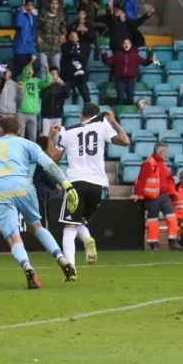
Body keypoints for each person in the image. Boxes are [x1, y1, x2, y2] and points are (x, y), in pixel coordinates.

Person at [0, 115, 79, 288]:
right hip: (23, 185)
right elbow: (49, 164)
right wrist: (66, 184)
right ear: (19, 130)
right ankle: (61, 258)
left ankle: (27, 265)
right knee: (36, 226)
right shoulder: (28, 144)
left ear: (0, 130)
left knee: (14, 237)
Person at [47, 103, 130, 266]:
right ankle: (87, 238)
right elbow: (125, 141)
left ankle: (70, 267)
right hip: (98, 185)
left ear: (81, 115)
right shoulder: (103, 126)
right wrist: (113, 121)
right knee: (80, 220)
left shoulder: (67, 131)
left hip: (76, 182)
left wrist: (50, 137)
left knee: (69, 227)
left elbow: (53, 159)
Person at [131, 143, 183, 250]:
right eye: (165, 152)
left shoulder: (162, 163)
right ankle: (153, 243)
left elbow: (167, 179)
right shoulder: (149, 163)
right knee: (153, 220)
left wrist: (172, 192)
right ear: (160, 152)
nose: (166, 155)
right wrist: (138, 194)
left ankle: (172, 241)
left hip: (164, 195)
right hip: (153, 197)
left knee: (172, 218)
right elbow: (142, 179)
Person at [101, 39, 156, 105]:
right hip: (120, 79)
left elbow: (144, 62)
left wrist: (151, 59)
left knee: (130, 99)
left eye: (128, 43)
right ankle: (110, 102)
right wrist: (104, 54)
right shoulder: (117, 54)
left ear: (131, 45)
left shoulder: (135, 55)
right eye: (124, 43)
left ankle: (129, 109)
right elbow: (108, 62)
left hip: (131, 80)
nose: (126, 44)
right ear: (122, 45)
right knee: (120, 99)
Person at [18, 56, 51, 141]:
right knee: (20, 137)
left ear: (33, 72)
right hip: (21, 112)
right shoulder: (22, 79)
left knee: (33, 137)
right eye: (28, 69)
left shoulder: (36, 81)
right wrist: (31, 61)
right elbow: (25, 72)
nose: (29, 71)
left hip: (33, 113)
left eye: (31, 70)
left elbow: (47, 82)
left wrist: (47, 70)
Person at [36, 0, 66, 75]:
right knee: (43, 68)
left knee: (56, 68)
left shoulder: (61, 16)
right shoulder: (43, 15)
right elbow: (37, 27)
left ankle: (55, 83)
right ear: (49, 4)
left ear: (58, 5)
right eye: (52, 3)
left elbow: (63, 28)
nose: (53, 5)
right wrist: (38, 37)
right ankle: (43, 83)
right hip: (43, 46)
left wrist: (63, 35)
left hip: (56, 47)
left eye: (55, 4)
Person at [60, 30, 91, 104]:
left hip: (80, 76)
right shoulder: (65, 46)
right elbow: (66, 53)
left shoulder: (83, 46)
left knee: (86, 96)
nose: (72, 37)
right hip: (69, 76)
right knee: (64, 95)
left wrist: (74, 53)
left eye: (74, 35)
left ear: (78, 37)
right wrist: (74, 51)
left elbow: (84, 57)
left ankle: (88, 109)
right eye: (71, 35)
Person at [12, 0, 37, 80]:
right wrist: (21, 11)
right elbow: (18, 23)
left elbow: (34, 31)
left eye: (31, 5)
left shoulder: (34, 17)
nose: (29, 7)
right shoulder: (20, 14)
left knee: (29, 71)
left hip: (29, 48)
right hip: (20, 47)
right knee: (18, 71)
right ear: (24, 6)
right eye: (28, 5)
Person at [40, 66, 67, 139]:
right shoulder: (44, 85)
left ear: (58, 75)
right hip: (46, 116)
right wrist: (48, 84)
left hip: (58, 116)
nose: (54, 75)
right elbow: (42, 96)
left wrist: (64, 85)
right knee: (45, 138)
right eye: (52, 73)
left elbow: (66, 95)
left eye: (55, 73)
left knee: (57, 138)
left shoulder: (61, 86)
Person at [0, 65, 18, 133]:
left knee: (10, 135)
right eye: (4, 71)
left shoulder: (15, 85)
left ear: (10, 73)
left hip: (10, 115)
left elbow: (19, 100)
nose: (5, 73)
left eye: (7, 71)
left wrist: (21, 92)